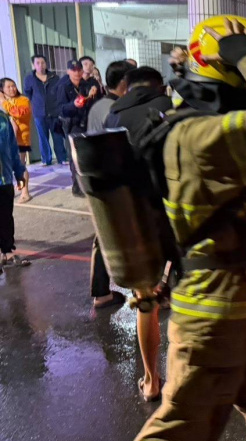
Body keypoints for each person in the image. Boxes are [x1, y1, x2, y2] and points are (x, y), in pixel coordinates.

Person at [126, 16, 246, 441]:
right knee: (180, 432)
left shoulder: (201, 126)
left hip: (242, 309)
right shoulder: (199, 134)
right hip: (214, 318)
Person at [104, 65, 175, 402]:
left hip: (133, 225)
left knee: (146, 302)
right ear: (158, 86)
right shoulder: (171, 112)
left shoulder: (111, 118)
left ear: (126, 88)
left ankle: (152, 380)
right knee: (191, 297)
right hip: (176, 219)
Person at [85, 60, 135, 311]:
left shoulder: (97, 106)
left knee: (102, 238)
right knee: (133, 234)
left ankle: (101, 293)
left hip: (96, 180)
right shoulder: (117, 109)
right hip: (115, 182)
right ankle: (145, 290)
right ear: (125, 83)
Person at [57, 59, 102, 197]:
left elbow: (97, 98)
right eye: (73, 70)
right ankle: (77, 187)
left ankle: (88, 184)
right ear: (68, 71)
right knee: (75, 157)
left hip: (87, 123)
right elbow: (60, 109)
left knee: (87, 155)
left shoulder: (86, 84)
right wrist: (73, 105)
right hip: (72, 125)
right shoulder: (63, 87)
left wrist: (96, 90)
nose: (76, 72)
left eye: (78, 70)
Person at [23, 54, 66, 166]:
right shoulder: (29, 79)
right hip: (39, 113)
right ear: (34, 65)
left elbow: (60, 93)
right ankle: (46, 159)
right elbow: (27, 95)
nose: (40, 65)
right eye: (38, 63)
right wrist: (34, 106)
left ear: (46, 64)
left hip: (54, 111)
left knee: (57, 136)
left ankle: (62, 158)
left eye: (42, 63)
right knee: (43, 137)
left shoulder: (54, 77)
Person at [0, 111, 30, 270]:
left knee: (5, 216)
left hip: (4, 179)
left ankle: (7, 252)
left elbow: (12, 149)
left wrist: (19, 172)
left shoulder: (3, 119)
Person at [1, 78, 33, 203]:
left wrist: (3, 102)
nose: (12, 88)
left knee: (20, 165)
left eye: (13, 85)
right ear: (2, 90)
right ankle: (17, 186)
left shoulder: (24, 100)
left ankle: (25, 192)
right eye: (8, 87)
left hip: (20, 140)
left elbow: (18, 113)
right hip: (4, 141)